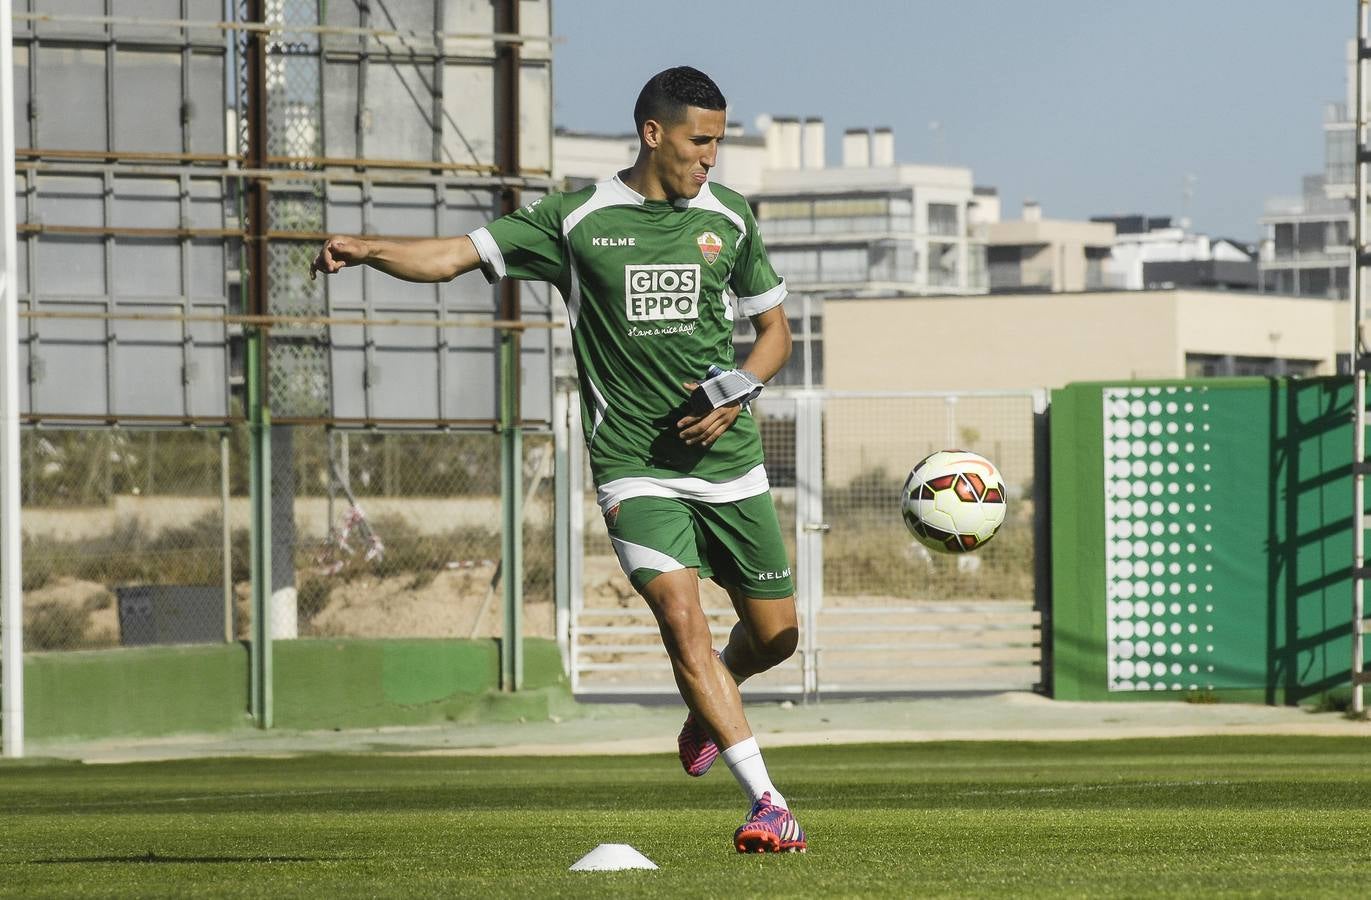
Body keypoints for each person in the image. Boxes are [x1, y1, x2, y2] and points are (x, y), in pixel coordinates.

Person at [310, 66, 805, 854]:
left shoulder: (730, 219)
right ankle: (768, 804)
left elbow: (775, 333)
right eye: (699, 140)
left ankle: (716, 700)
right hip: (632, 465)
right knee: (681, 621)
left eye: (718, 141)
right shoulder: (574, 220)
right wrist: (368, 248)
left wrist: (736, 389)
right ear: (653, 133)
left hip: (729, 465)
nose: (711, 157)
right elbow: (450, 256)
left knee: (776, 636)